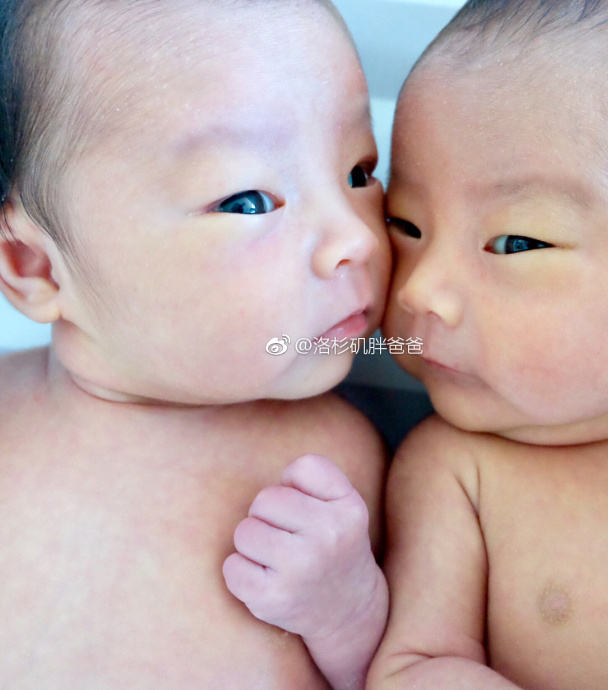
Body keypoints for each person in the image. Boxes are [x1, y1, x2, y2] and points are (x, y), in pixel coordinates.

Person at [0, 0, 390, 687]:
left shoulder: (330, 465)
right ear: (37, 266)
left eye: (359, 172)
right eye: (246, 201)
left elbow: (410, 670)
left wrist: (349, 613)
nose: (356, 238)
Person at [365, 0, 608, 688]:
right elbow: (412, 668)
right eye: (405, 225)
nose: (421, 290)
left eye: (516, 242)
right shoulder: (458, 471)